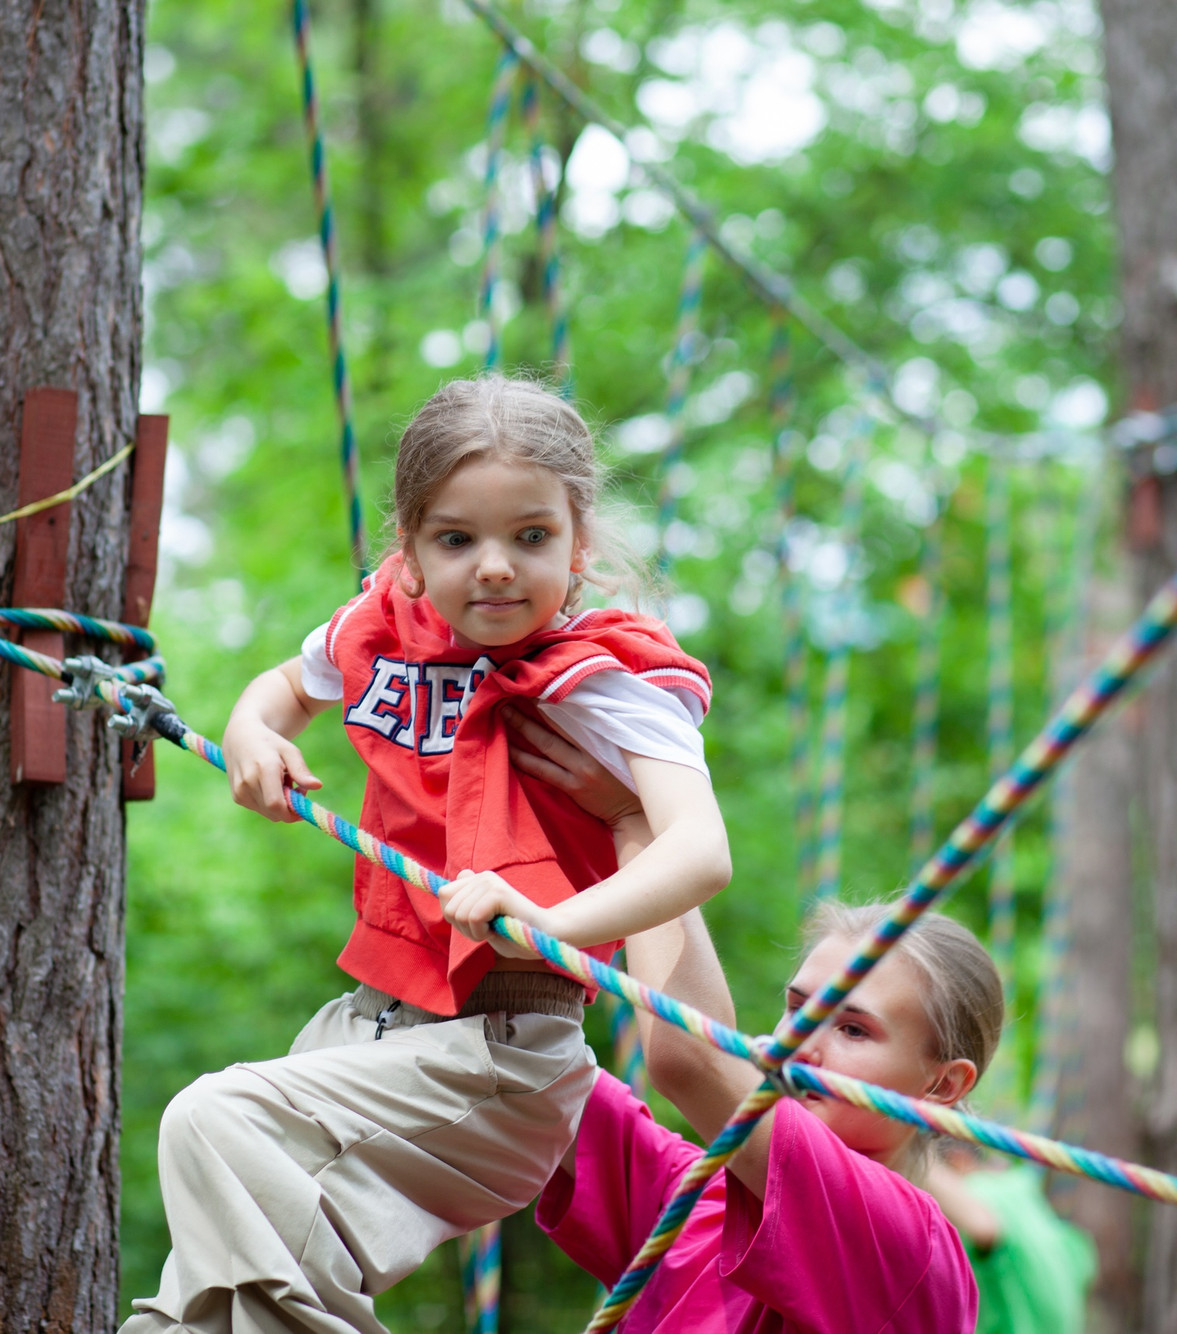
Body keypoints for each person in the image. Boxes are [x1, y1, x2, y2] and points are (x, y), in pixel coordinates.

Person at [120, 376, 734, 1334]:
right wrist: (252, 730)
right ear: (407, 551)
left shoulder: (611, 680)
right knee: (217, 1302)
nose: (494, 567)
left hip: (501, 1057)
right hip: (368, 1027)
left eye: (531, 537)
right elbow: (289, 684)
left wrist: (553, 925)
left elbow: (699, 851)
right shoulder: (385, 624)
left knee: (215, 1120)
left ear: (580, 540)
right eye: (457, 540)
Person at [511, 701, 993, 1331]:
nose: (802, 1044)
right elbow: (523, 1051)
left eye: (853, 1028)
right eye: (798, 1009)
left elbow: (687, 1059)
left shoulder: (906, 1243)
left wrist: (636, 821)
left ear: (942, 1084)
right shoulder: (690, 1195)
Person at [922, 1143, 1095, 1334]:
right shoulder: (1028, 1196)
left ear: (958, 1160)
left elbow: (984, 1226)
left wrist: (911, 1158)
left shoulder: (980, 1190)